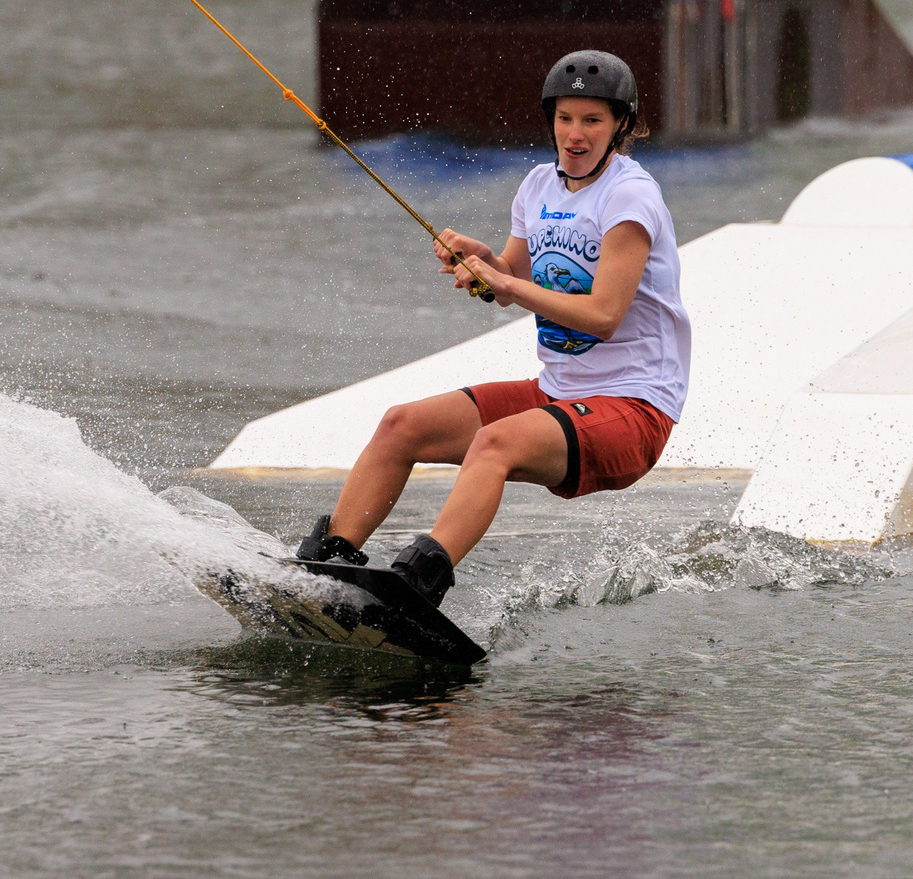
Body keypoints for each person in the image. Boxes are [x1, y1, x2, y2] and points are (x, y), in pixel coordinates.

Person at [294, 50, 692, 605]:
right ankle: (325, 568)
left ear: (620, 124)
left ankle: (418, 586)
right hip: (559, 394)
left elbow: (603, 316)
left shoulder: (630, 197)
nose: (575, 135)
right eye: (565, 118)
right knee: (401, 425)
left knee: (495, 443)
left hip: (633, 407)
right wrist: (483, 264)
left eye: (593, 121)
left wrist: (509, 286)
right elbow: (509, 280)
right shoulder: (536, 186)